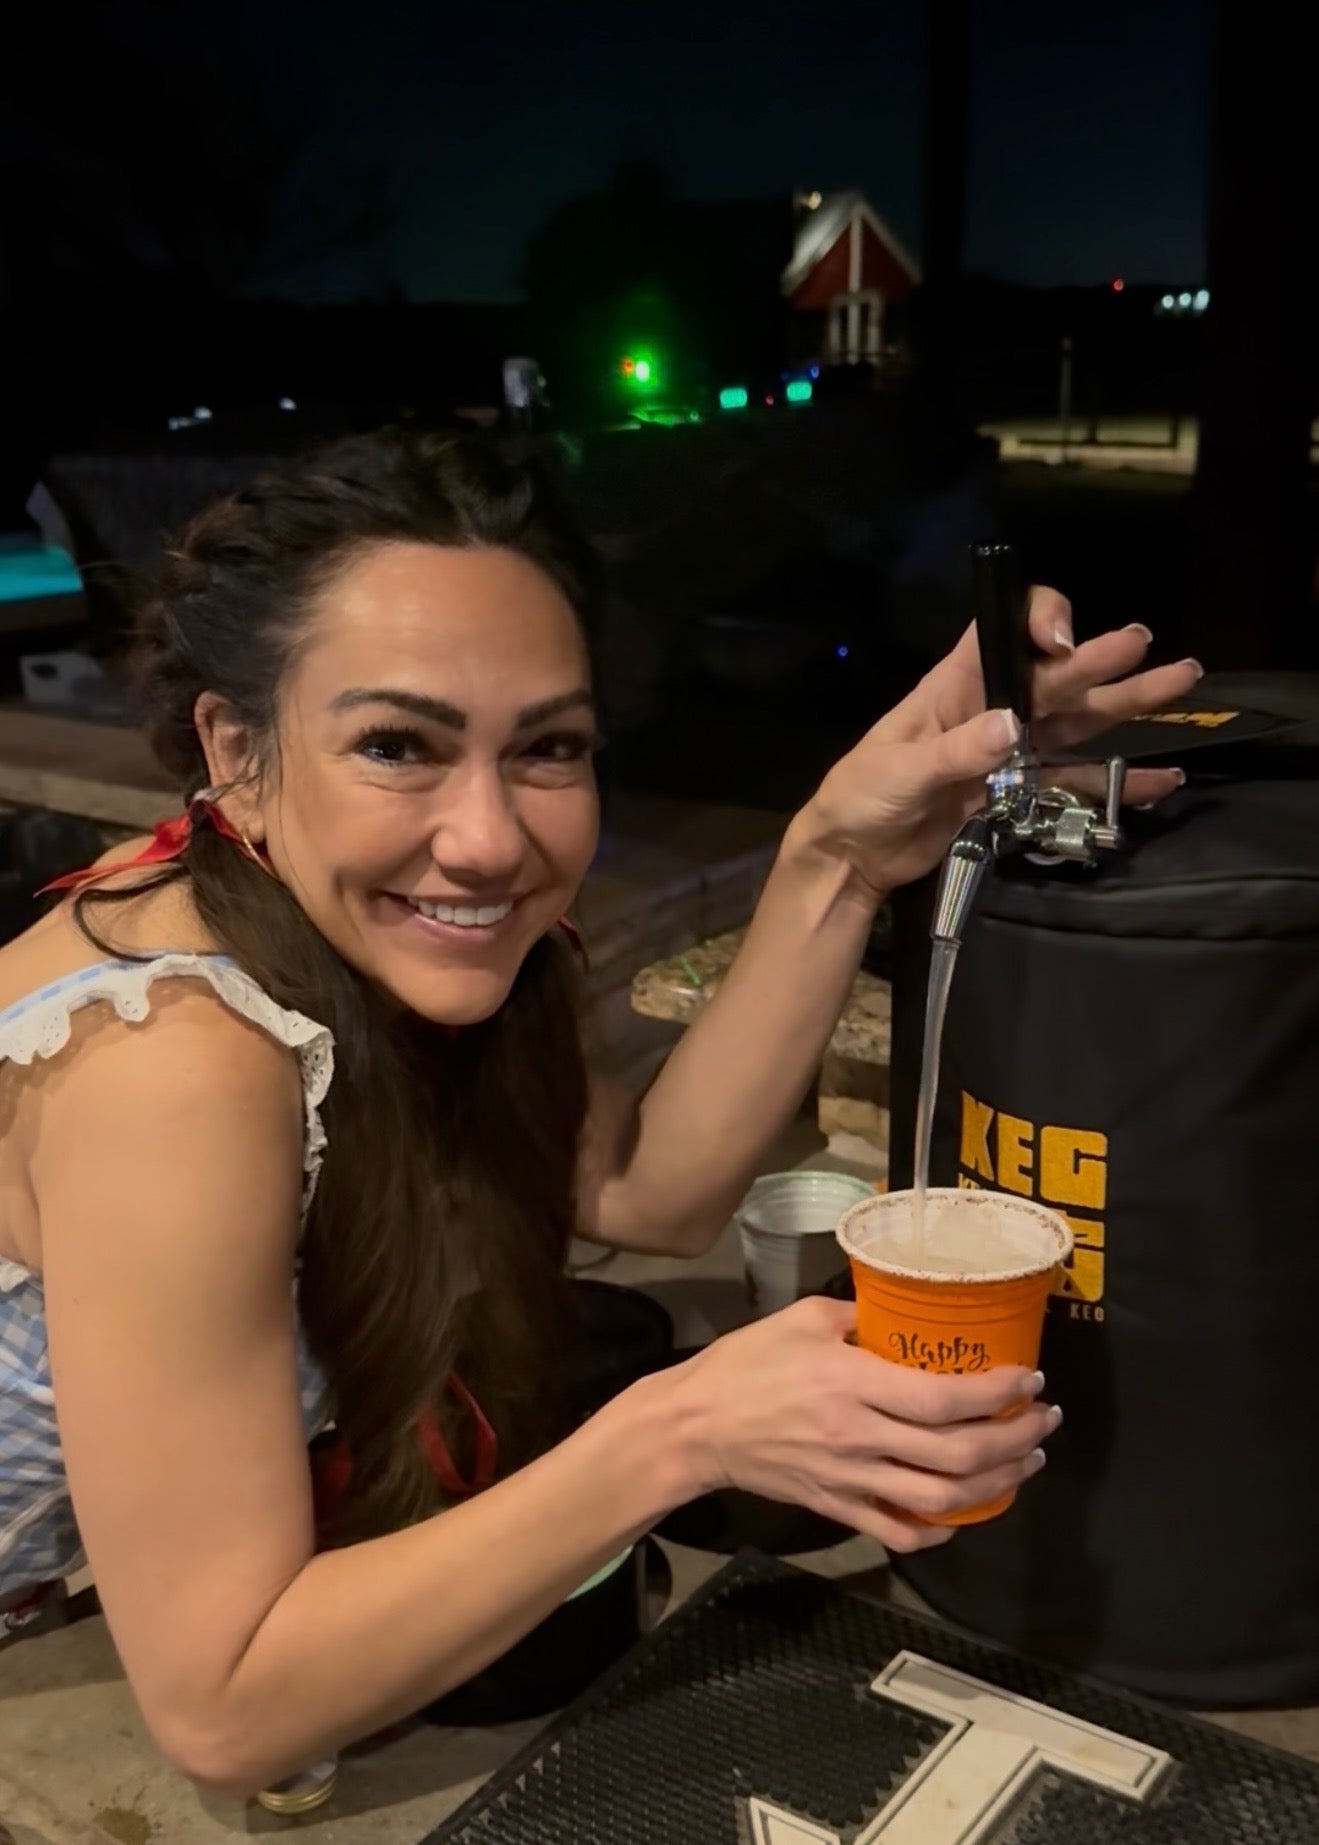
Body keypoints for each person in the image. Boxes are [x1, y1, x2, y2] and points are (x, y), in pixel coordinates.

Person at [0, 429, 1197, 1801]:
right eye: (399, 743)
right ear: (236, 746)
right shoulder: (174, 1060)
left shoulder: (391, 936)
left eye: (548, 748)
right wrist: (680, 1429)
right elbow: (228, 1705)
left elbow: (645, 1188)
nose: (492, 836)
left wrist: (839, 850)